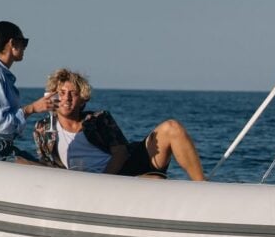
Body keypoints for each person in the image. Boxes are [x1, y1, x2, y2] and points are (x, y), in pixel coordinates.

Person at [32, 68, 205, 180]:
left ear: (82, 99)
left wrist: (105, 183)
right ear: (53, 96)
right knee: (155, 181)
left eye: (73, 93)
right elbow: (48, 166)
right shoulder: (43, 129)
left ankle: (202, 187)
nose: (67, 98)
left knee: (172, 127)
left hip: (120, 173)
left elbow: (120, 153)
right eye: (61, 93)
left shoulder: (99, 119)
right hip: (83, 186)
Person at [0, 21, 55, 161]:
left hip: (2, 147)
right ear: (12, 43)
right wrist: (31, 108)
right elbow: (0, 125)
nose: (25, 47)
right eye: (24, 42)